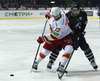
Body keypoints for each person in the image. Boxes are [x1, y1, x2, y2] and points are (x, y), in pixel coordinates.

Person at [47, 4, 98, 70]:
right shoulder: (68, 16)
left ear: (79, 10)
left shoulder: (83, 14)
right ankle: (51, 60)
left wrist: (81, 32)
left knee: (84, 46)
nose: (74, 12)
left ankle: (92, 61)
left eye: (76, 10)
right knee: (59, 45)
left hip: (78, 32)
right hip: (67, 33)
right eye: (73, 10)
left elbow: (84, 24)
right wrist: (73, 41)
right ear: (71, 10)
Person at [32, 7, 74, 73]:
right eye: (53, 16)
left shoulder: (61, 23)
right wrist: (49, 13)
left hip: (64, 36)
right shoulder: (60, 12)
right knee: (45, 51)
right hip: (55, 35)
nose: (54, 17)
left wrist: (43, 38)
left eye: (56, 16)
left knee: (69, 49)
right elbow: (54, 9)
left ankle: (61, 66)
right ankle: (36, 62)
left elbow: (54, 36)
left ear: (59, 14)